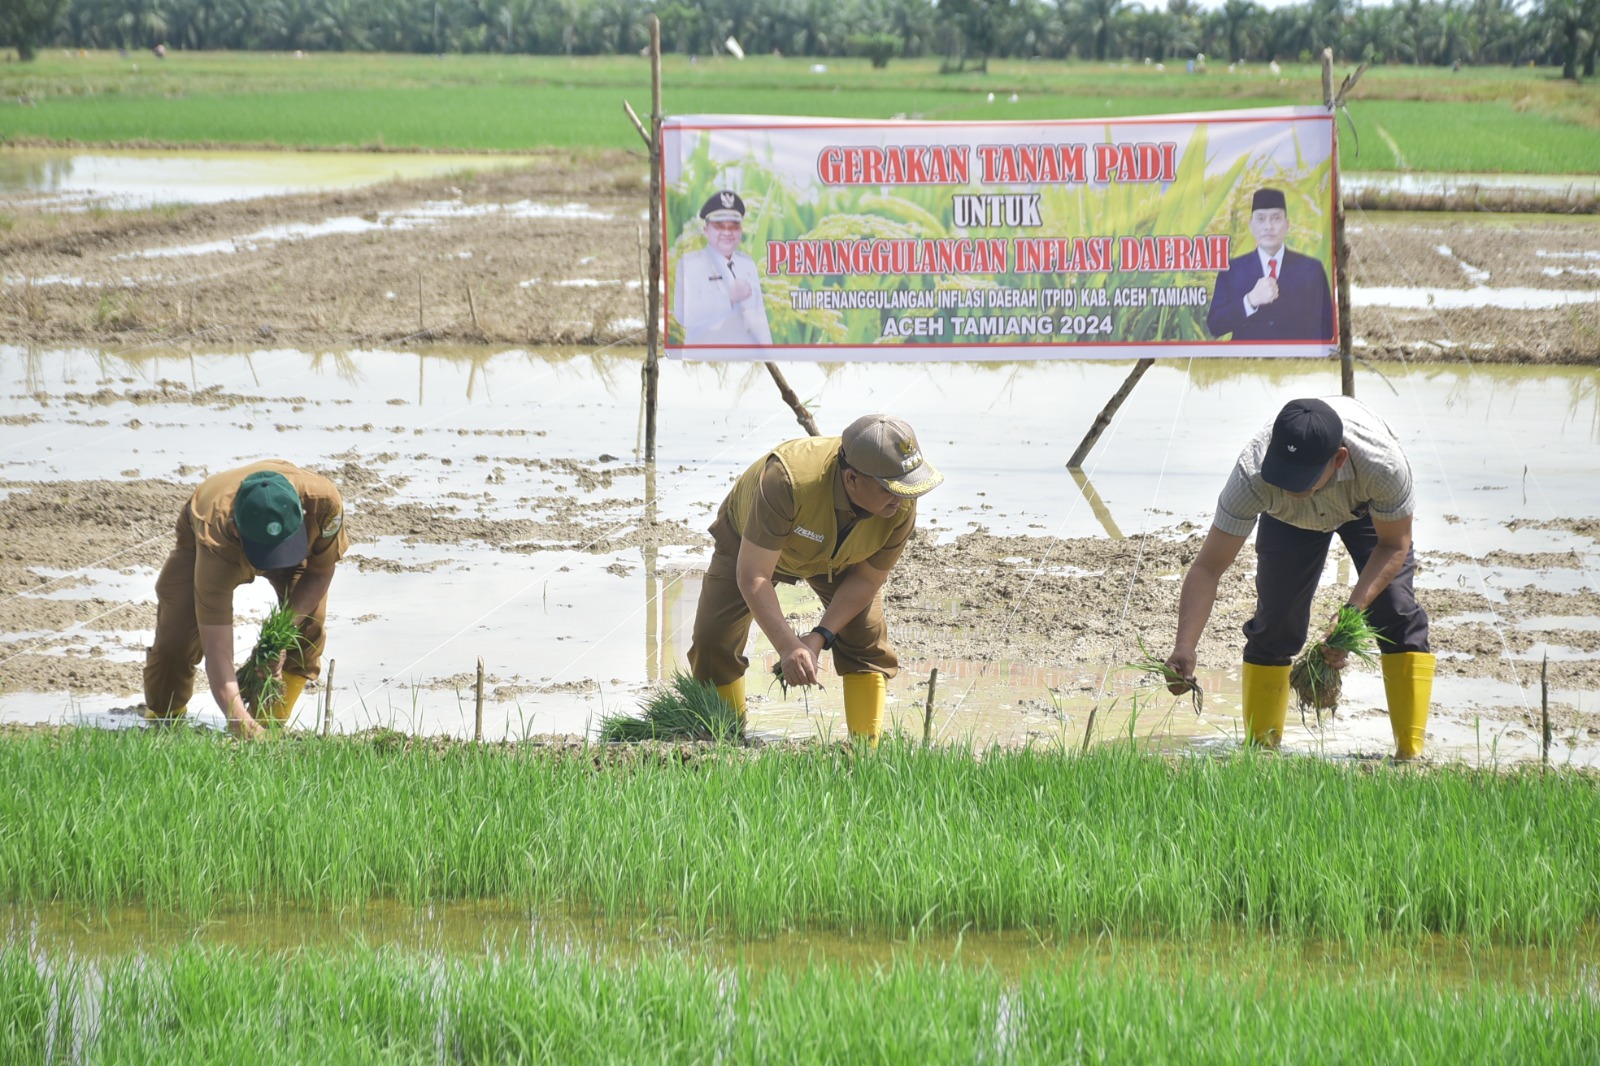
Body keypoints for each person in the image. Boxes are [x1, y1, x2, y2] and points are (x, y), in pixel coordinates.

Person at [1162, 397, 1435, 760]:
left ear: (1338, 460)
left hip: (1364, 511)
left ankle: (1408, 755)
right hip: (1289, 521)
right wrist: (1185, 645)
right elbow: (1208, 567)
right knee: (1276, 624)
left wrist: (1350, 613)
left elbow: (1393, 544)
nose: (1291, 486)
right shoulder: (1253, 474)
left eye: (1302, 478)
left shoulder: (1382, 465)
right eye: (1283, 475)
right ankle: (1261, 752)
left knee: (1395, 613)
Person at [688, 414, 943, 742]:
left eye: (907, 485)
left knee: (866, 637)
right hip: (753, 544)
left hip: (842, 557)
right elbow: (753, 575)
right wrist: (787, 646)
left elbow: (866, 580)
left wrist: (819, 636)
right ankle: (725, 742)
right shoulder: (786, 481)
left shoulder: (899, 505)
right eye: (890, 488)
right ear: (852, 480)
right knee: (713, 638)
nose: (903, 497)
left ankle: (864, 754)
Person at [143, 460, 348, 739]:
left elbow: (320, 572)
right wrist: (237, 717)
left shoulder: (323, 504)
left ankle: (270, 725)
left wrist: (277, 642)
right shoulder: (216, 535)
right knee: (175, 638)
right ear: (236, 529)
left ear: (301, 515)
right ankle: (165, 723)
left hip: (282, 531)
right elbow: (217, 648)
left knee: (307, 627)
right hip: (210, 532)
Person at [1206, 188, 1334, 342]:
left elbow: (1326, 327)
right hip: (1244, 362)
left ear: (1287, 224)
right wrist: (1250, 301)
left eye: (1276, 218)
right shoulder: (1232, 270)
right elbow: (1215, 325)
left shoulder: (1311, 269)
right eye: (1260, 219)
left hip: (1295, 362)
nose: (1268, 226)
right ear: (1251, 225)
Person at [673, 189, 773, 347]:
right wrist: (728, 297)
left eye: (733, 227)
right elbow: (684, 316)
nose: (727, 233)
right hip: (706, 358)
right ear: (706, 230)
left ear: (740, 231)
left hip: (746, 356)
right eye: (719, 226)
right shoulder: (690, 265)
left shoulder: (747, 265)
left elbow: (759, 319)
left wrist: (769, 353)